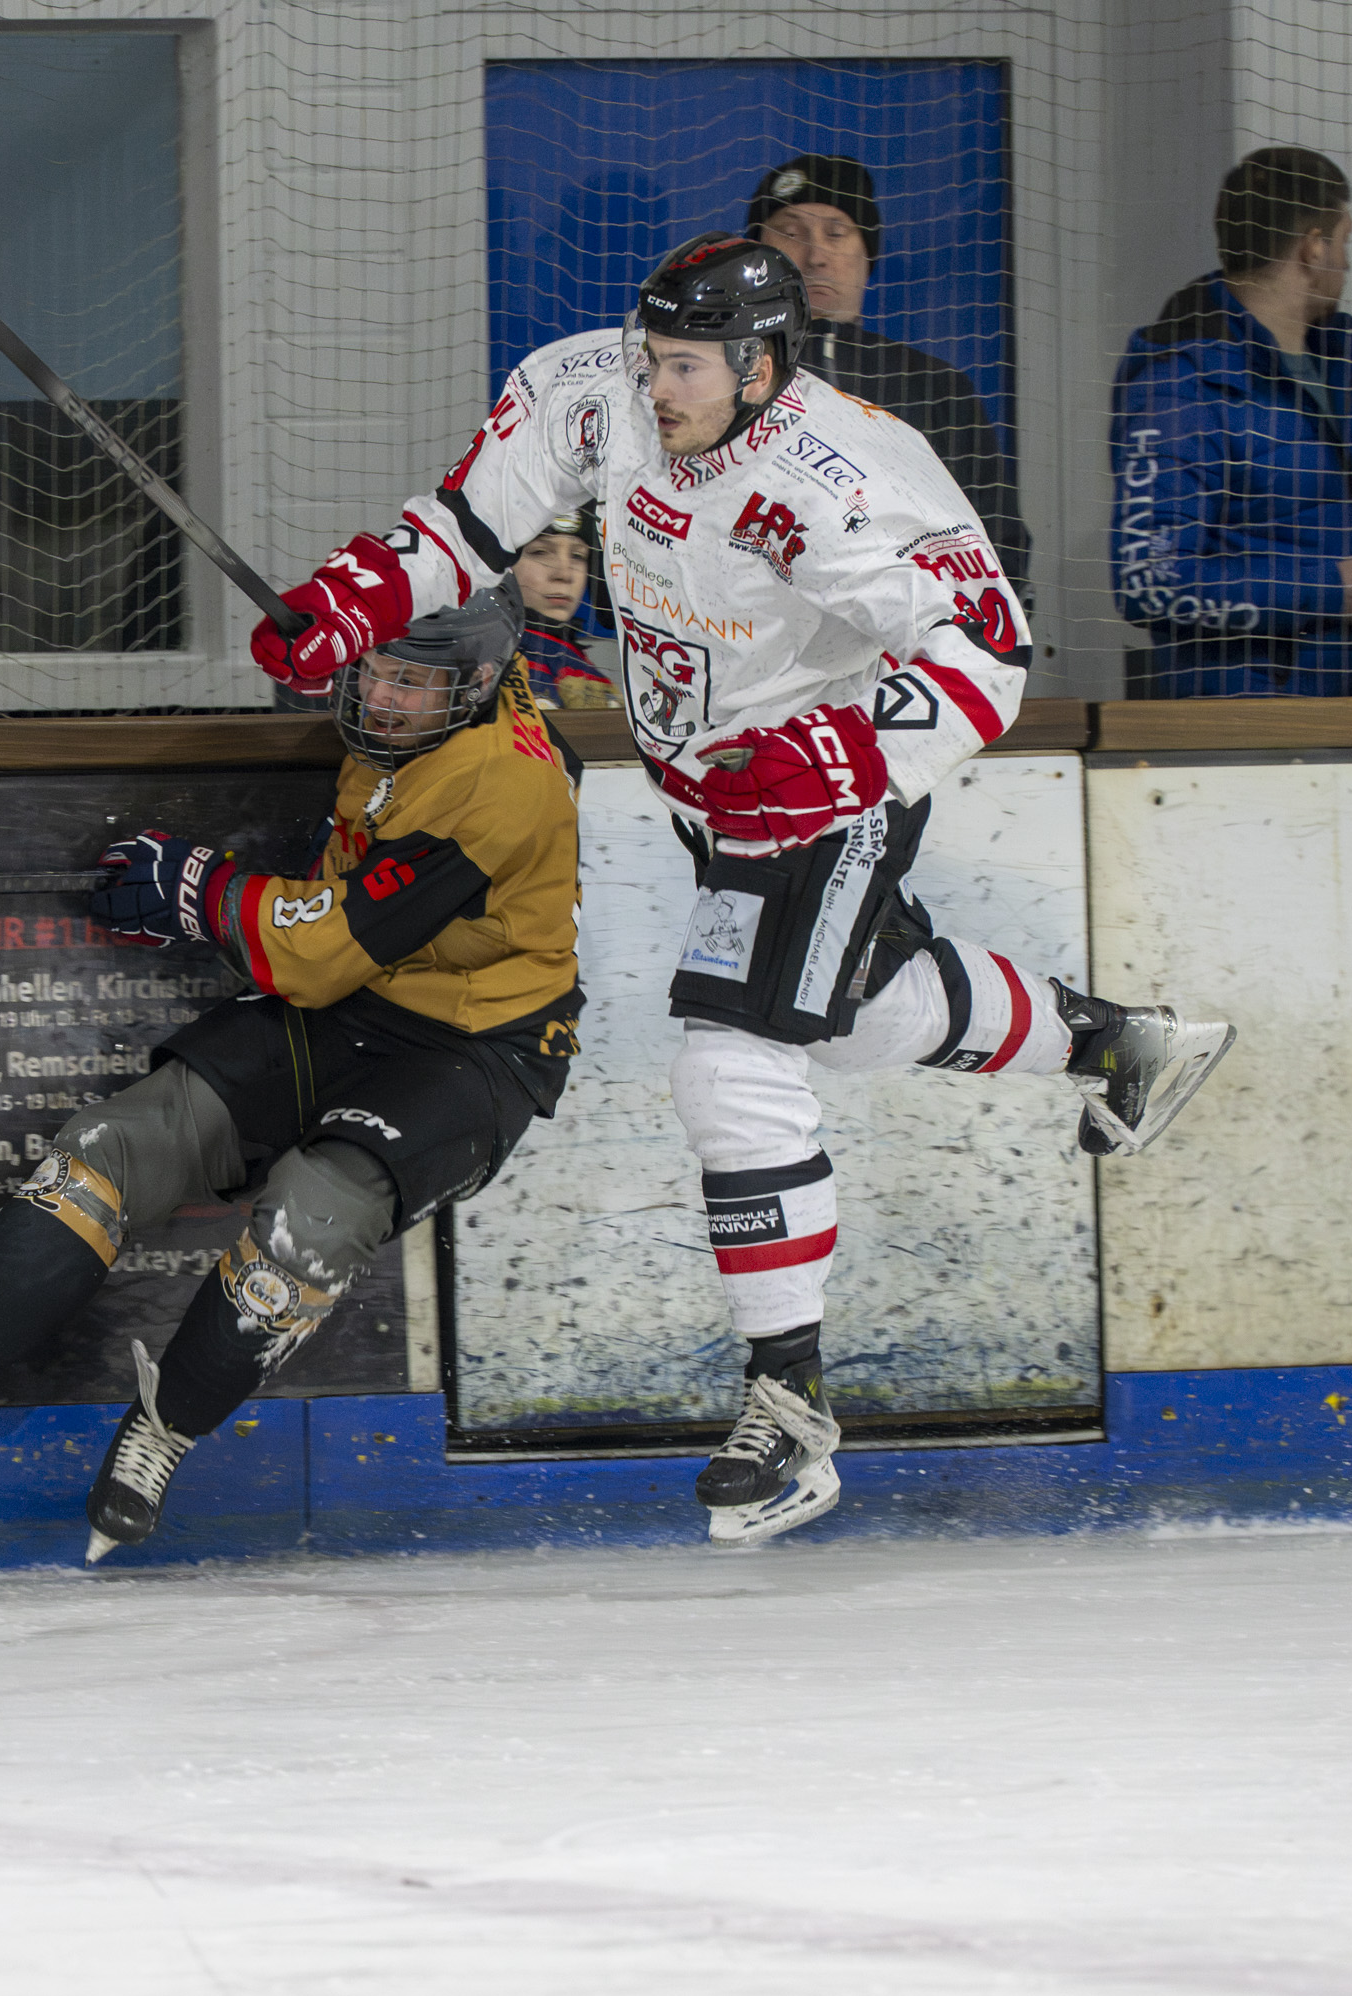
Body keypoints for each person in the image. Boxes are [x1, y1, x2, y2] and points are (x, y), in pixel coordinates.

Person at [247, 234, 1236, 1544]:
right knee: (851, 1003)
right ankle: (1123, 1046)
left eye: (688, 367)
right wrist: (356, 595)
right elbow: (466, 521)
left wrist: (836, 753)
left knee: (730, 1048)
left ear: (764, 362)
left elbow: (984, 648)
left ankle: (791, 1406)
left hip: (830, 797)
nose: (658, 387)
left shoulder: (845, 475)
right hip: (715, 795)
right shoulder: (594, 394)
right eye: (653, 355)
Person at [0, 586, 581, 1558]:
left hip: (479, 1042)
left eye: (414, 682)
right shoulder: (450, 695)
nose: (383, 696)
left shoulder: (498, 785)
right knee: (115, 1143)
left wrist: (202, 888)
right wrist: (319, 633)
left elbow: (326, 947)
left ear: (477, 687)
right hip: (369, 997)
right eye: (374, 667)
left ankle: (160, 1438)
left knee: (311, 1213)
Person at [1110, 147, 1352, 697]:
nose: (1346, 261)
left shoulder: (1348, 363)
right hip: (1244, 724)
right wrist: (1330, 589)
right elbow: (1147, 585)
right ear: (1314, 247)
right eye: (1344, 241)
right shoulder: (1182, 385)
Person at [747, 154, 1032, 592]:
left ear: (867, 255)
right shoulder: (715, 377)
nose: (815, 255)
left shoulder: (937, 387)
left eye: (837, 233)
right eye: (790, 233)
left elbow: (1000, 547)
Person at [508, 507, 619, 709]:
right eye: (540, 552)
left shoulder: (578, 663)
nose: (564, 574)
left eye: (577, 556)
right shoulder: (486, 662)